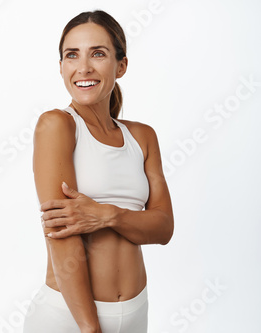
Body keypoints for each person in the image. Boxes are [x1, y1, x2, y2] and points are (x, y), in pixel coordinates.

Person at [22, 10, 174, 333]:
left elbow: (163, 227)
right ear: (61, 67)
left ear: (121, 66)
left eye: (98, 54)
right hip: (71, 319)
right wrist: (90, 328)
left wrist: (107, 215)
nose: (83, 68)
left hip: (135, 311)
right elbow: (61, 236)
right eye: (71, 55)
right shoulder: (57, 126)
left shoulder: (142, 137)